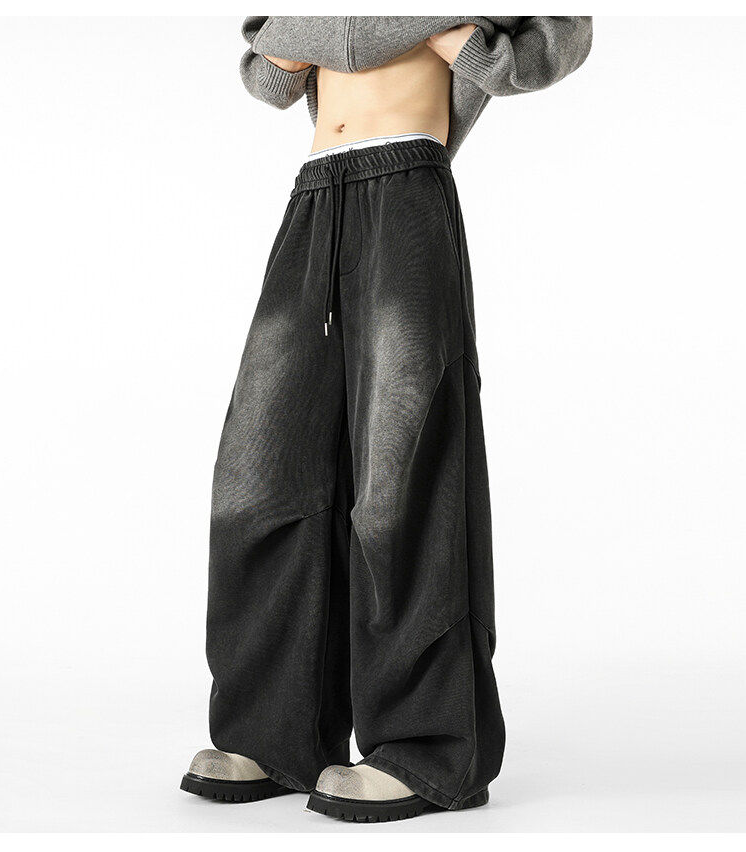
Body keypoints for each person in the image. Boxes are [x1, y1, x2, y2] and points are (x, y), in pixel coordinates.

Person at [181, 16, 592, 823]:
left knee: (402, 478)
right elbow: (267, 74)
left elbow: (559, 34)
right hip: (314, 193)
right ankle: (272, 735)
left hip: (406, 185)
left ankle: (425, 749)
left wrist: (465, 48)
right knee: (262, 476)